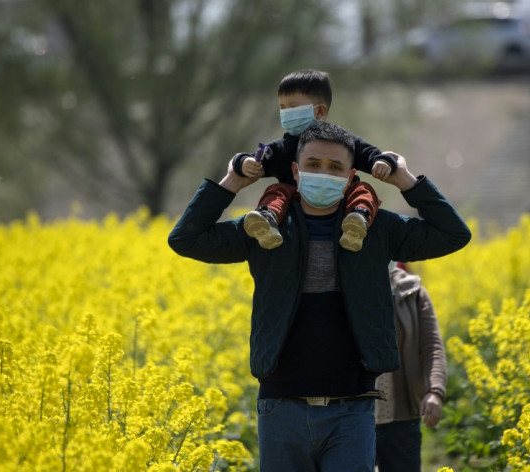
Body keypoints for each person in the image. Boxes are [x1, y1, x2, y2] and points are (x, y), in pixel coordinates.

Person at [168, 122, 471, 471]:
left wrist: (405, 180)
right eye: (313, 165)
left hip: (353, 409)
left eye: (335, 168)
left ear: (350, 176)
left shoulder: (377, 229)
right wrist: (233, 181)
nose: (323, 174)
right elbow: (185, 239)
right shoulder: (265, 229)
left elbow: (454, 234)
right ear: (295, 171)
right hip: (281, 408)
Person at [232, 68, 397, 252]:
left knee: (363, 190)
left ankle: (357, 221)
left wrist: (383, 162)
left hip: (340, 201)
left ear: (319, 112)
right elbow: (253, 159)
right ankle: (266, 221)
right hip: (296, 205)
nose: (286, 113)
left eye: (293, 107)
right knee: (277, 191)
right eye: (282, 108)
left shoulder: (340, 142)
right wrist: (244, 163)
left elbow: (370, 154)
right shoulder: (280, 148)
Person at [375, 262, 446, 472]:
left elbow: (432, 347)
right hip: (352, 414)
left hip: (401, 417)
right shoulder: (345, 284)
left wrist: (435, 391)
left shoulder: (413, 291)